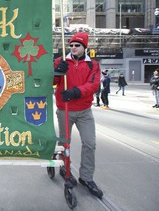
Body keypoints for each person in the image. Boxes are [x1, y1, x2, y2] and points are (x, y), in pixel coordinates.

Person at [53, 32, 103, 198]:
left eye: (77, 45)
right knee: (64, 144)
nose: (73, 48)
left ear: (84, 48)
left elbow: (93, 84)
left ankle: (87, 178)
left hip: (84, 111)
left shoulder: (92, 65)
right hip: (64, 110)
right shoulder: (61, 61)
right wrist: (56, 73)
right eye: (72, 45)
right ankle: (64, 168)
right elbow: (50, 81)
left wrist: (75, 92)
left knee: (90, 143)